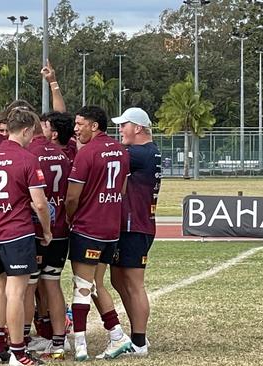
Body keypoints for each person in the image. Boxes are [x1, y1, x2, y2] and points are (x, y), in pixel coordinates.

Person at [0, 108, 52, 366]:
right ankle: (17, 353)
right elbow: (41, 204)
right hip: (16, 232)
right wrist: (46, 231)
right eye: (32, 133)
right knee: (16, 292)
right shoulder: (27, 158)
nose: (33, 138)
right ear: (25, 130)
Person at [64, 106, 130, 361]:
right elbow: (122, 189)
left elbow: (72, 197)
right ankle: (116, 334)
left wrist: (71, 217)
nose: (76, 128)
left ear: (94, 126)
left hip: (88, 228)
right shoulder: (121, 151)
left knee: (81, 285)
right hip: (110, 229)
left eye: (80, 124)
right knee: (95, 284)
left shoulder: (87, 153)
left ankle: (80, 343)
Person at [110, 107, 162, 357]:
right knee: (118, 280)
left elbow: (107, 158)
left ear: (138, 128)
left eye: (124, 125)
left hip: (135, 226)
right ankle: (137, 335)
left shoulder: (138, 153)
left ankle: (139, 341)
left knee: (133, 283)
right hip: (132, 225)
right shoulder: (146, 152)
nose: (120, 130)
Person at [25, 115, 71, 360]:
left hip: (36, 230)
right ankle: (58, 342)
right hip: (61, 228)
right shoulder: (61, 154)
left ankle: (22, 340)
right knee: (52, 284)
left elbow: (36, 200)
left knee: (27, 286)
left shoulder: (30, 153)